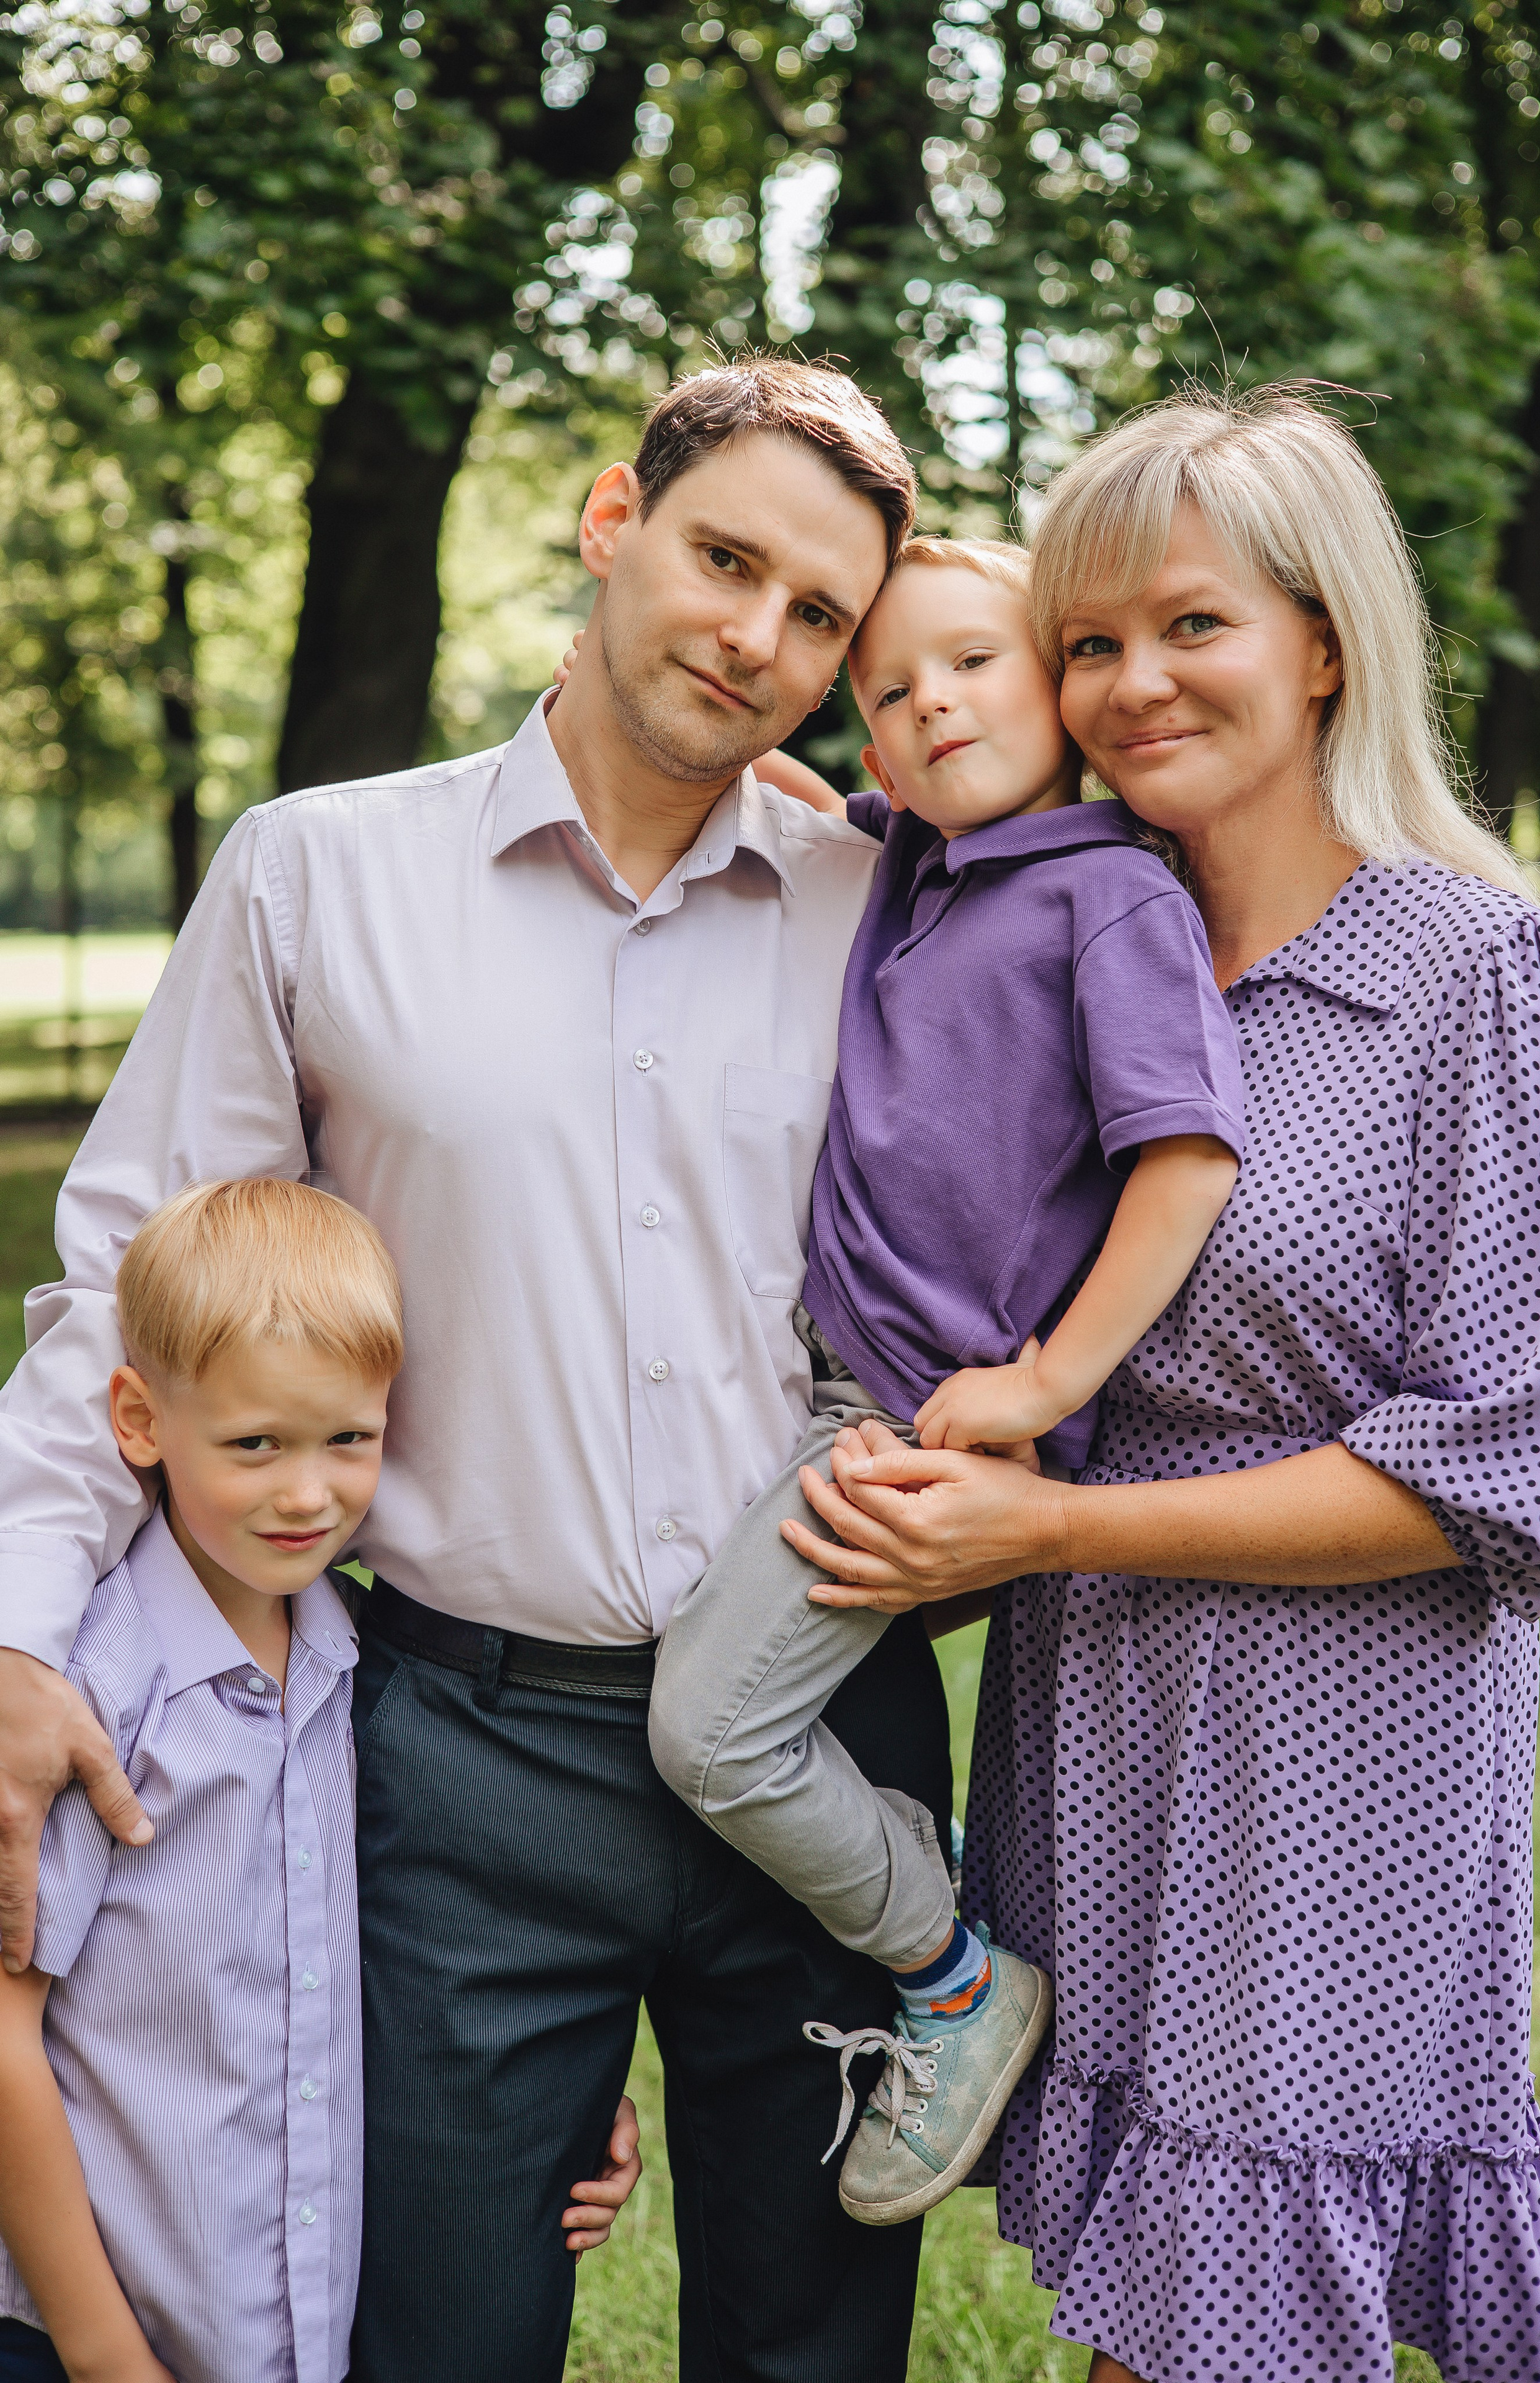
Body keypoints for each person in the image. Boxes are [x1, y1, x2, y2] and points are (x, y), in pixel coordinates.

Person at [0, 358, 945, 2383]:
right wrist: (18, 1634)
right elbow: (122, 1291)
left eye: (819, 619)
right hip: (458, 1751)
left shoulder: (893, 911)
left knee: (818, 2349)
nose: (757, 640)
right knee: (437, 2339)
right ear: (613, 522)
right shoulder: (315, 873)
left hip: (825, 1719)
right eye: (724, 561)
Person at [776, 388, 1540, 2383]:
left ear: (1324, 643)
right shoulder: (1060, 929)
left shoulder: (1477, 978)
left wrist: (1049, 1518)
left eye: (1192, 626)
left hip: (1340, 1744)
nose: (1134, 684)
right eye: (1088, 641)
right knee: (1149, 2315)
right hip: (1103, 1713)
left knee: (1247, 2305)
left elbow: (1498, 1472)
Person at [648, 536, 1244, 2227]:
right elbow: (810, 785)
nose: (932, 706)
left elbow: (1188, 1161)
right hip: (818, 1377)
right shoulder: (920, 851)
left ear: (1057, 682)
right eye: (894, 693)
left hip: (915, 1417)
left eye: (975, 663)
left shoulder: (1109, 891)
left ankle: (959, 1978)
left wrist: (1046, 1377)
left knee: (711, 1730)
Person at [0, 1180, 640, 2383]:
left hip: (290, 2328)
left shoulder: (350, 1662)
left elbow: (368, 1966)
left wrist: (548, 2104)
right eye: (255, 1445)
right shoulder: (96, 1693)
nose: (308, 1493)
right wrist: (103, 2355)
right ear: (137, 1419)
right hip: (95, 2332)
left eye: (348, 1438)